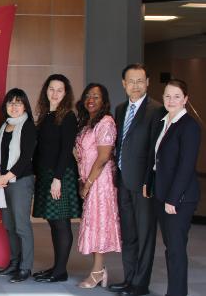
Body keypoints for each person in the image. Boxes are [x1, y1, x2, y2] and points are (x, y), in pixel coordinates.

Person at [110, 64, 163, 296]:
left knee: (145, 236)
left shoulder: (156, 110)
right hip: (123, 181)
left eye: (140, 81)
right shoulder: (120, 109)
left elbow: (155, 151)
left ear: (148, 82)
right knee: (129, 234)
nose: (135, 85)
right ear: (123, 84)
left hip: (143, 185)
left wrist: (148, 182)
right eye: (131, 81)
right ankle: (129, 278)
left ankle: (140, 284)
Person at [147, 79, 201, 296]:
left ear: (185, 99)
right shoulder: (163, 121)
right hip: (162, 194)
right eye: (167, 95)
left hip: (179, 199)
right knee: (171, 248)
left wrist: (172, 199)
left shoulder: (189, 126)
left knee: (176, 250)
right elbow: (156, 159)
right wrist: (148, 184)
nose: (171, 100)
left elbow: (186, 167)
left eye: (177, 96)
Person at [31, 74, 81, 283]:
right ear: (46, 91)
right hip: (45, 174)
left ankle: (61, 271)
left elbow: (65, 150)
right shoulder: (45, 115)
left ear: (65, 93)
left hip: (61, 174)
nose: (55, 93)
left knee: (61, 222)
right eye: (51, 89)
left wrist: (57, 178)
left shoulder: (68, 116)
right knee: (53, 221)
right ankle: (56, 267)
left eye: (59, 90)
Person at [73, 83, 121, 288]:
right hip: (89, 179)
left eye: (96, 96)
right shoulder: (87, 122)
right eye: (88, 96)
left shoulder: (106, 122)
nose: (91, 99)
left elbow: (103, 157)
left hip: (100, 182)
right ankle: (98, 270)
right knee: (92, 225)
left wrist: (88, 184)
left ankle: (98, 271)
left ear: (104, 101)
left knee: (99, 226)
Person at [0, 88, 37, 283]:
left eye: (18, 103)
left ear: (25, 105)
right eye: (11, 103)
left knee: (21, 226)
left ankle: (25, 267)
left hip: (20, 181)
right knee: (10, 226)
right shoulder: (4, 126)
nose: (14, 106)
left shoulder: (27, 126)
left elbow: (26, 158)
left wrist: (7, 176)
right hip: (3, 182)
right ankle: (14, 262)